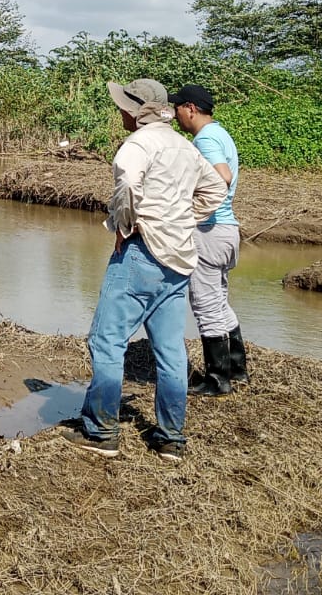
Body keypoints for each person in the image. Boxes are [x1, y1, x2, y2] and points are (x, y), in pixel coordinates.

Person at [64, 78, 228, 461]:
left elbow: (127, 184)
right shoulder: (184, 147)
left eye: (123, 105)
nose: (119, 110)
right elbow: (217, 189)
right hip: (179, 261)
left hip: (142, 254)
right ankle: (170, 438)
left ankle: (101, 431)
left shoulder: (137, 145)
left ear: (136, 110)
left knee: (106, 341)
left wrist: (126, 226)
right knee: (170, 351)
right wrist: (183, 220)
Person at [171, 83, 248, 396]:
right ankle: (237, 370)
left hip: (208, 232)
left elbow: (222, 176)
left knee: (205, 305)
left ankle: (217, 380)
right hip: (227, 230)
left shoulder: (204, 139)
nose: (175, 114)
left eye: (177, 108)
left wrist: (195, 207)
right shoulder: (220, 133)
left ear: (190, 108)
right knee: (218, 301)